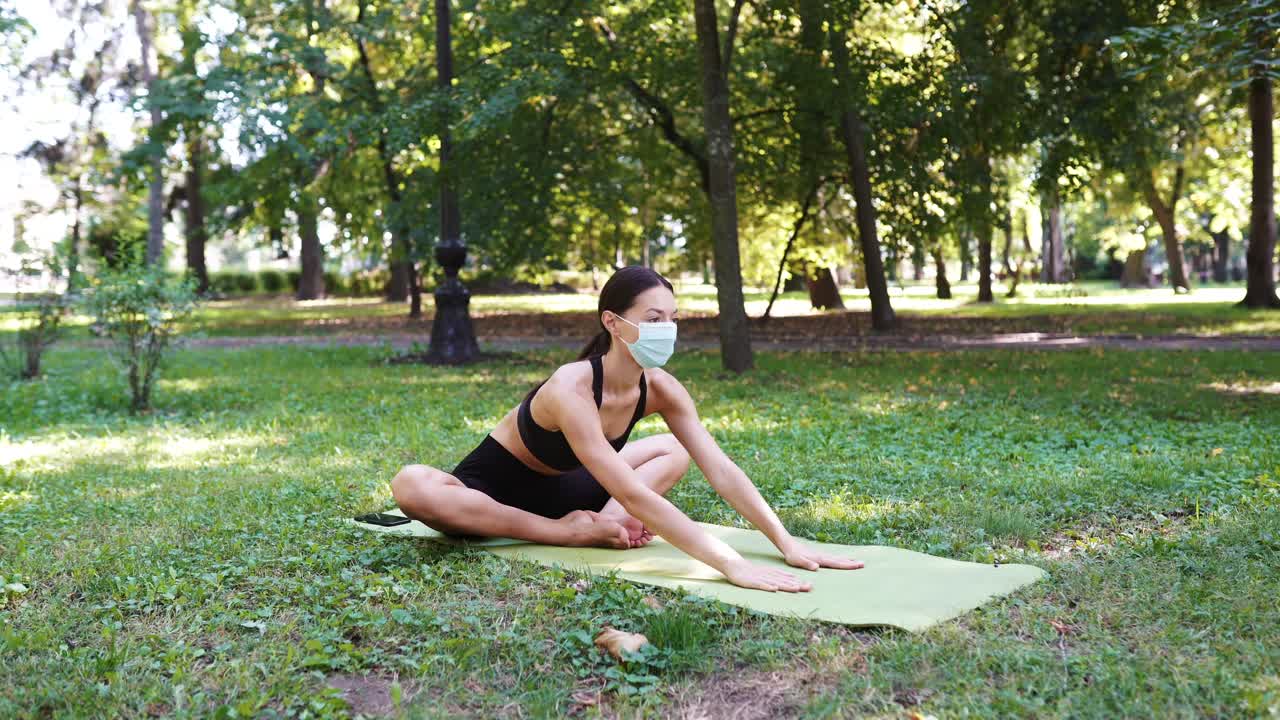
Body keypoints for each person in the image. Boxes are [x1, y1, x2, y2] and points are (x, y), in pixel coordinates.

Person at [391, 265, 864, 592]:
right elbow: (636, 494)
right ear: (613, 324)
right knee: (411, 484)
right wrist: (730, 564)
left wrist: (785, 541)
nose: (667, 329)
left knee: (673, 449)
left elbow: (720, 468)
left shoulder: (662, 389)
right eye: (653, 319)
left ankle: (606, 525)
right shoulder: (571, 387)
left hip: (575, 489)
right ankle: (566, 534)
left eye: (672, 319)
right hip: (491, 497)